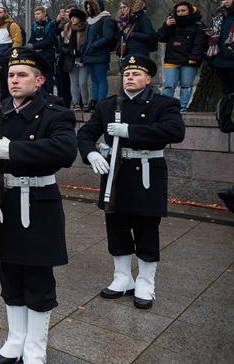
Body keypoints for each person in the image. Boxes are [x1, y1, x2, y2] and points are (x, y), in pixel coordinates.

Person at [0, 48, 77, 364]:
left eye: (22, 75)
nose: (14, 80)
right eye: (11, 75)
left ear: (39, 80)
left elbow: (65, 151)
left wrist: (13, 150)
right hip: (4, 203)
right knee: (10, 275)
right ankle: (15, 341)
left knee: (37, 280)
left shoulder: (55, 113)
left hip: (40, 204)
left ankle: (35, 350)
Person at [77, 54, 185, 309]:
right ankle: (123, 277)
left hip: (148, 172)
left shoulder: (164, 104)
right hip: (116, 173)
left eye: (136, 74)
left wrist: (129, 131)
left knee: (146, 229)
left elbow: (175, 132)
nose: (130, 78)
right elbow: (84, 134)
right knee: (117, 225)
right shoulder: (107, 106)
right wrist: (91, 153)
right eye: (126, 74)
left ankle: (146, 282)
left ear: (148, 79)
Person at [157, 1, 207, 112]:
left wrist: (194, 58)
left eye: (183, 10)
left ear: (189, 11)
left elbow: (200, 43)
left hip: (189, 61)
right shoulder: (172, 24)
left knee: (186, 86)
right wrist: (167, 26)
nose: (180, 13)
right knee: (169, 85)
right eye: (178, 11)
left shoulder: (198, 25)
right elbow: (160, 37)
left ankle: (183, 107)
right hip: (171, 59)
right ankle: (165, 107)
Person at [82, 0, 116, 109]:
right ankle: (95, 101)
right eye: (86, 7)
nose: (88, 10)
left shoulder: (106, 19)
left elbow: (108, 37)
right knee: (94, 80)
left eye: (90, 7)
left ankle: (101, 103)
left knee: (101, 79)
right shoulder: (90, 21)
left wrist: (94, 46)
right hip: (89, 55)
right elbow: (86, 39)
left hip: (100, 54)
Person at [0, 5, 24, 102]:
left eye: (0, 12)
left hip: (7, 58)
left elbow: (17, 41)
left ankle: (9, 102)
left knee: (7, 80)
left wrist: (12, 56)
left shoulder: (12, 25)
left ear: (5, 13)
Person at [209, 0, 234, 94]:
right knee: (226, 91)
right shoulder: (220, 16)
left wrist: (233, 47)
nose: (225, 1)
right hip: (220, 59)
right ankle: (226, 110)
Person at [60, 8, 90, 110]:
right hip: (70, 59)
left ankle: (85, 103)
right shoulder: (67, 27)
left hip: (83, 58)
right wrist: (70, 51)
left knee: (83, 82)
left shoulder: (86, 28)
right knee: (74, 82)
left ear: (80, 18)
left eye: (74, 17)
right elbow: (63, 45)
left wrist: (81, 52)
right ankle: (76, 103)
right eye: (71, 17)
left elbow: (88, 43)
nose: (72, 20)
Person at [27, 6, 57, 94]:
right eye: (35, 14)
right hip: (38, 56)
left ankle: (49, 98)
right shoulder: (35, 25)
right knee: (39, 78)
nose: (36, 16)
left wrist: (33, 46)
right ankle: (40, 97)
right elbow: (32, 39)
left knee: (48, 79)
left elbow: (49, 41)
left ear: (44, 14)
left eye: (38, 14)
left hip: (48, 55)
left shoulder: (51, 24)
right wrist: (27, 46)